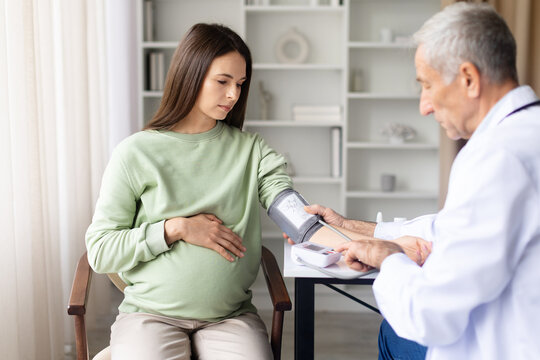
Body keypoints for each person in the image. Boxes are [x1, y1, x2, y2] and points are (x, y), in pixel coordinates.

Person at [302, 3, 540, 359]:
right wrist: (354, 227)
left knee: (394, 331)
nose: (424, 107)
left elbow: (428, 316)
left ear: (469, 79)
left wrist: (390, 259)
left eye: (427, 85)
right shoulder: (526, 134)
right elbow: (447, 228)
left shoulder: (495, 159)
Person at [86, 23, 292, 359]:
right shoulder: (136, 152)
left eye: (240, 84)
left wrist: (308, 225)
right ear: (191, 75)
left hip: (230, 318)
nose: (234, 95)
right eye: (223, 81)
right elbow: (100, 250)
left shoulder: (250, 150)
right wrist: (175, 229)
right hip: (150, 316)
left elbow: (284, 198)